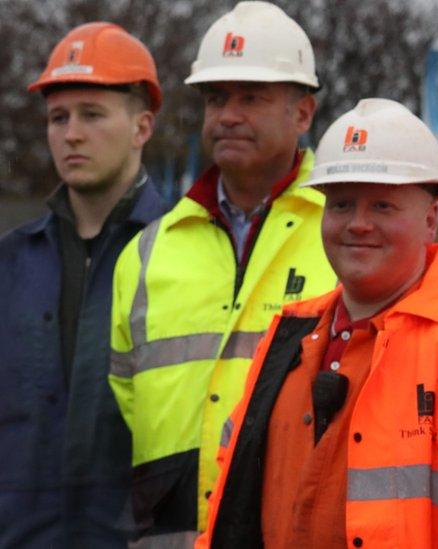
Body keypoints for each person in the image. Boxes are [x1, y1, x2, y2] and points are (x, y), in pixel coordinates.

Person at [196, 98, 438, 549]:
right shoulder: (286, 336)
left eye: (381, 206)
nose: (358, 224)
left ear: (430, 219)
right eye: (341, 205)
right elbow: (231, 499)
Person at [109, 2, 337, 545]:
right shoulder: (146, 254)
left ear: (303, 113)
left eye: (251, 98)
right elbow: (128, 399)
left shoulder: (345, 235)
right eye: (216, 99)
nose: (228, 115)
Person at [0, 22, 166, 547]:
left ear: (142, 127)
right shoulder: (10, 262)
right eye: (58, 117)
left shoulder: (192, 257)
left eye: (92, 115)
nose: (71, 133)